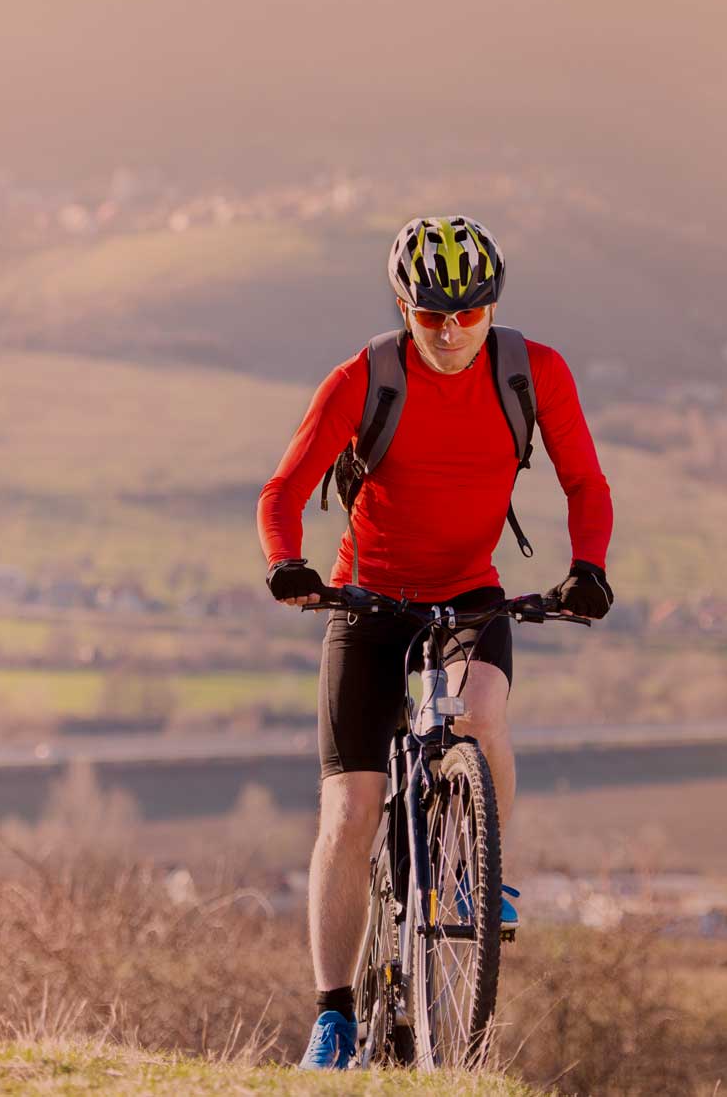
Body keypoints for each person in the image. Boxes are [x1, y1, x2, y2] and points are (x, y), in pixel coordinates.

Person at [257, 216, 615, 1070]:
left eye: (468, 312)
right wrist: (287, 563)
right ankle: (334, 1015)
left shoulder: (534, 373)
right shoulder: (366, 377)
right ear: (403, 307)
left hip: (468, 594)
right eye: (430, 316)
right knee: (348, 812)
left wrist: (590, 567)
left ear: (491, 305)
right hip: (368, 600)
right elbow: (283, 489)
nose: (451, 332)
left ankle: (475, 874)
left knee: (482, 709)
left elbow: (585, 480)